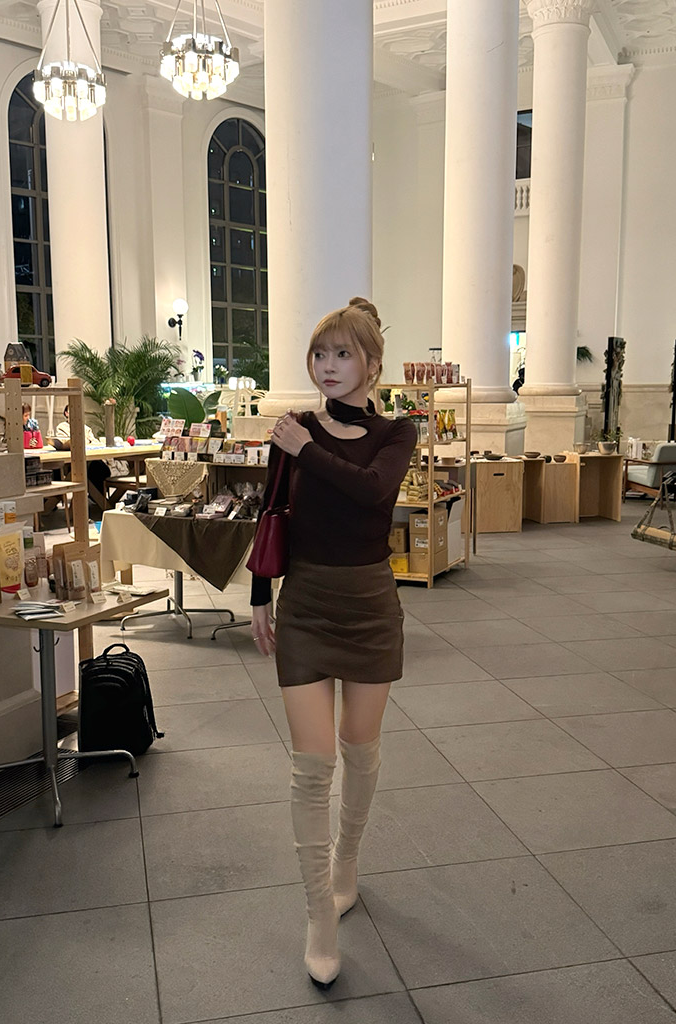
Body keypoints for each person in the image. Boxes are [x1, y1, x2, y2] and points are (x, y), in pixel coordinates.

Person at [250, 297, 417, 989]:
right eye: (320, 354)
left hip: (370, 604)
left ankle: (347, 860)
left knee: (360, 747)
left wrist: (307, 450)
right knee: (312, 765)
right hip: (308, 604)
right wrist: (259, 595)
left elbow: (372, 494)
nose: (328, 365)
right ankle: (319, 912)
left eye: (342, 354)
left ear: (371, 365)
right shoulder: (294, 430)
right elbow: (271, 508)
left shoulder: (396, 433)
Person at [56, 404, 111, 496]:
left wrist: (88, 442)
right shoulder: (62, 427)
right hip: (72, 461)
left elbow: (95, 442)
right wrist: (86, 442)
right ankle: (97, 497)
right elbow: (66, 442)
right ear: (66, 413)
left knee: (100, 467)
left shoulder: (86, 428)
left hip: (88, 457)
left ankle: (98, 498)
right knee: (93, 467)